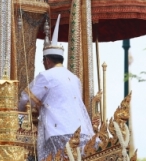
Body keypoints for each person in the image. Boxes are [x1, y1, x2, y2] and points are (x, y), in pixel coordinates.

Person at [19, 15, 95, 161]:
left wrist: (19, 114)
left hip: (58, 133)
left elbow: (25, 98)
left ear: (47, 60)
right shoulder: (75, 78)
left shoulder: (46, 76)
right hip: (83, 133)